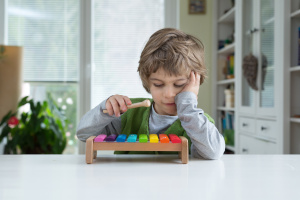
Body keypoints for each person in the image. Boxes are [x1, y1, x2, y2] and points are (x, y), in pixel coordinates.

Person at [76, 28, 225, 159]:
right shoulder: (130, 113)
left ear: (195, 82)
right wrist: (105, 110)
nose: (169, 94)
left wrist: (188, 106)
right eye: (158, 84)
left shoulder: (197, 121)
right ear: (148, 82)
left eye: (179, 84)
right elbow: (83, 134)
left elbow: (214, 152)